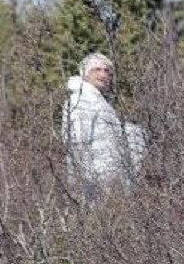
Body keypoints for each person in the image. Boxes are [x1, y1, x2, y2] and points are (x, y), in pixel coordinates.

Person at [62, 52, 146, 197]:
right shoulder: (80, 99)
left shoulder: (99, 101)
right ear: (86, 74)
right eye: (97, 70)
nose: (103, 74)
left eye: (107, 71)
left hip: (107, 181)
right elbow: (77, 140)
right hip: (91, 181)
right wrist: (85, 178)